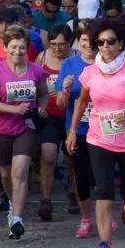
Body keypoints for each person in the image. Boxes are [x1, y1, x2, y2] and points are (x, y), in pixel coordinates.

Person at [66, 18, 125, 248]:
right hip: (98, 138)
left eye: (110, 41)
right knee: (103, 189)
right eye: (100, 42)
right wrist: (72, 131)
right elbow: (82, 101)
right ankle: (106, 245)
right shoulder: (89, 73)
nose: (105, 46)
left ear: (121, 43)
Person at [0, 26, 49, 239]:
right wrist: (13, 108)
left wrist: (41, 107)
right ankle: (12, 202)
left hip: (25, 127)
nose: (17, 52)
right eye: (13, 47)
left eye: (22, 47)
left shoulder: (35, 71)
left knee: (20, 171)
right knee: (6, 173)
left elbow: (43, 94)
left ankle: (18, 218)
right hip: (0, 129)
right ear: (5, 48)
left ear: (27, 48)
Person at [56, 24, 97, 232]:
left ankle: (105, 214)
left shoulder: (106, 64)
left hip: (104, 130)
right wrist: (65, 89)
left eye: (91, 41)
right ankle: (86, 218)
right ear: (77, 44)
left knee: (101, 176)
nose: (88, 46)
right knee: (80, 174)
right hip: (78, 129)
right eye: (83, 42)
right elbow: (61, 104)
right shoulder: (69, 65)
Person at [35, 24, 74, 220]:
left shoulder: (76, 59)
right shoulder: (42, 58)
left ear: (70, 43)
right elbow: (33, 83)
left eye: (62, 44)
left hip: (72, 114)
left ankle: (74, 193)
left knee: (72, 158)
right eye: (53, 44)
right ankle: (46, 200)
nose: (58, 49)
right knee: (48, 156)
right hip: (49, 115)